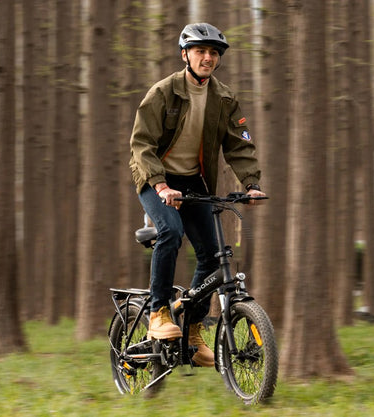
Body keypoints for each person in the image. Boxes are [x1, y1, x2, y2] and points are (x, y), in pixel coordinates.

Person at [128, 22, 266, 367]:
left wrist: (250, 184)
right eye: (201, 51)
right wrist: (160, 186)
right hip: (154, 177)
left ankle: (191, 332)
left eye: (214, 53)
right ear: (185, 55)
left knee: (212, 254)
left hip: (193, 181)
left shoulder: (224, 98)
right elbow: (141, 144)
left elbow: (239, 145)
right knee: (171, 232)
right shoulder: (162, 92)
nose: (208, 58)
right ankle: (159, 311)